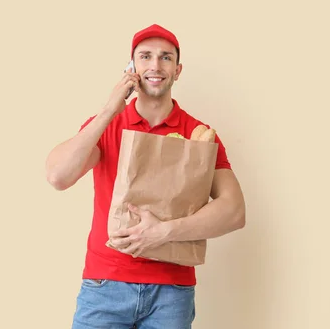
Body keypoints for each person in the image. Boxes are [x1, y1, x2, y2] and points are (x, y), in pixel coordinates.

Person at [45, 24, 246, 328]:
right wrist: (109, 110)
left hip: (172, 292)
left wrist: (164, 231)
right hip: (105, 287)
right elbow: (58, 176)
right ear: (132, 67)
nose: (155, 65)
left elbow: (234, 211)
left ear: (177, 70)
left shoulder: (198, 134)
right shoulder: (108, 125)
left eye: (166, 58)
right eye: (145, 56)